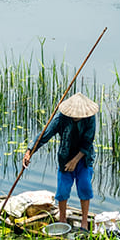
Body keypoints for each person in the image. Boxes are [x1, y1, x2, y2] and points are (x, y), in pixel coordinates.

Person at [22, 92, 98, 230]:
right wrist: (29, 151)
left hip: (84, 158)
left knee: (85, 187)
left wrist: (75, 161)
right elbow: (45, 135)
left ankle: (84, 222)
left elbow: (88, 142)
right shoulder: (62, 118)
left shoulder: (90, 118)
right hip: (65, 156)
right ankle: (62, 219)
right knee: (62, 191)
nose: (77, 117)